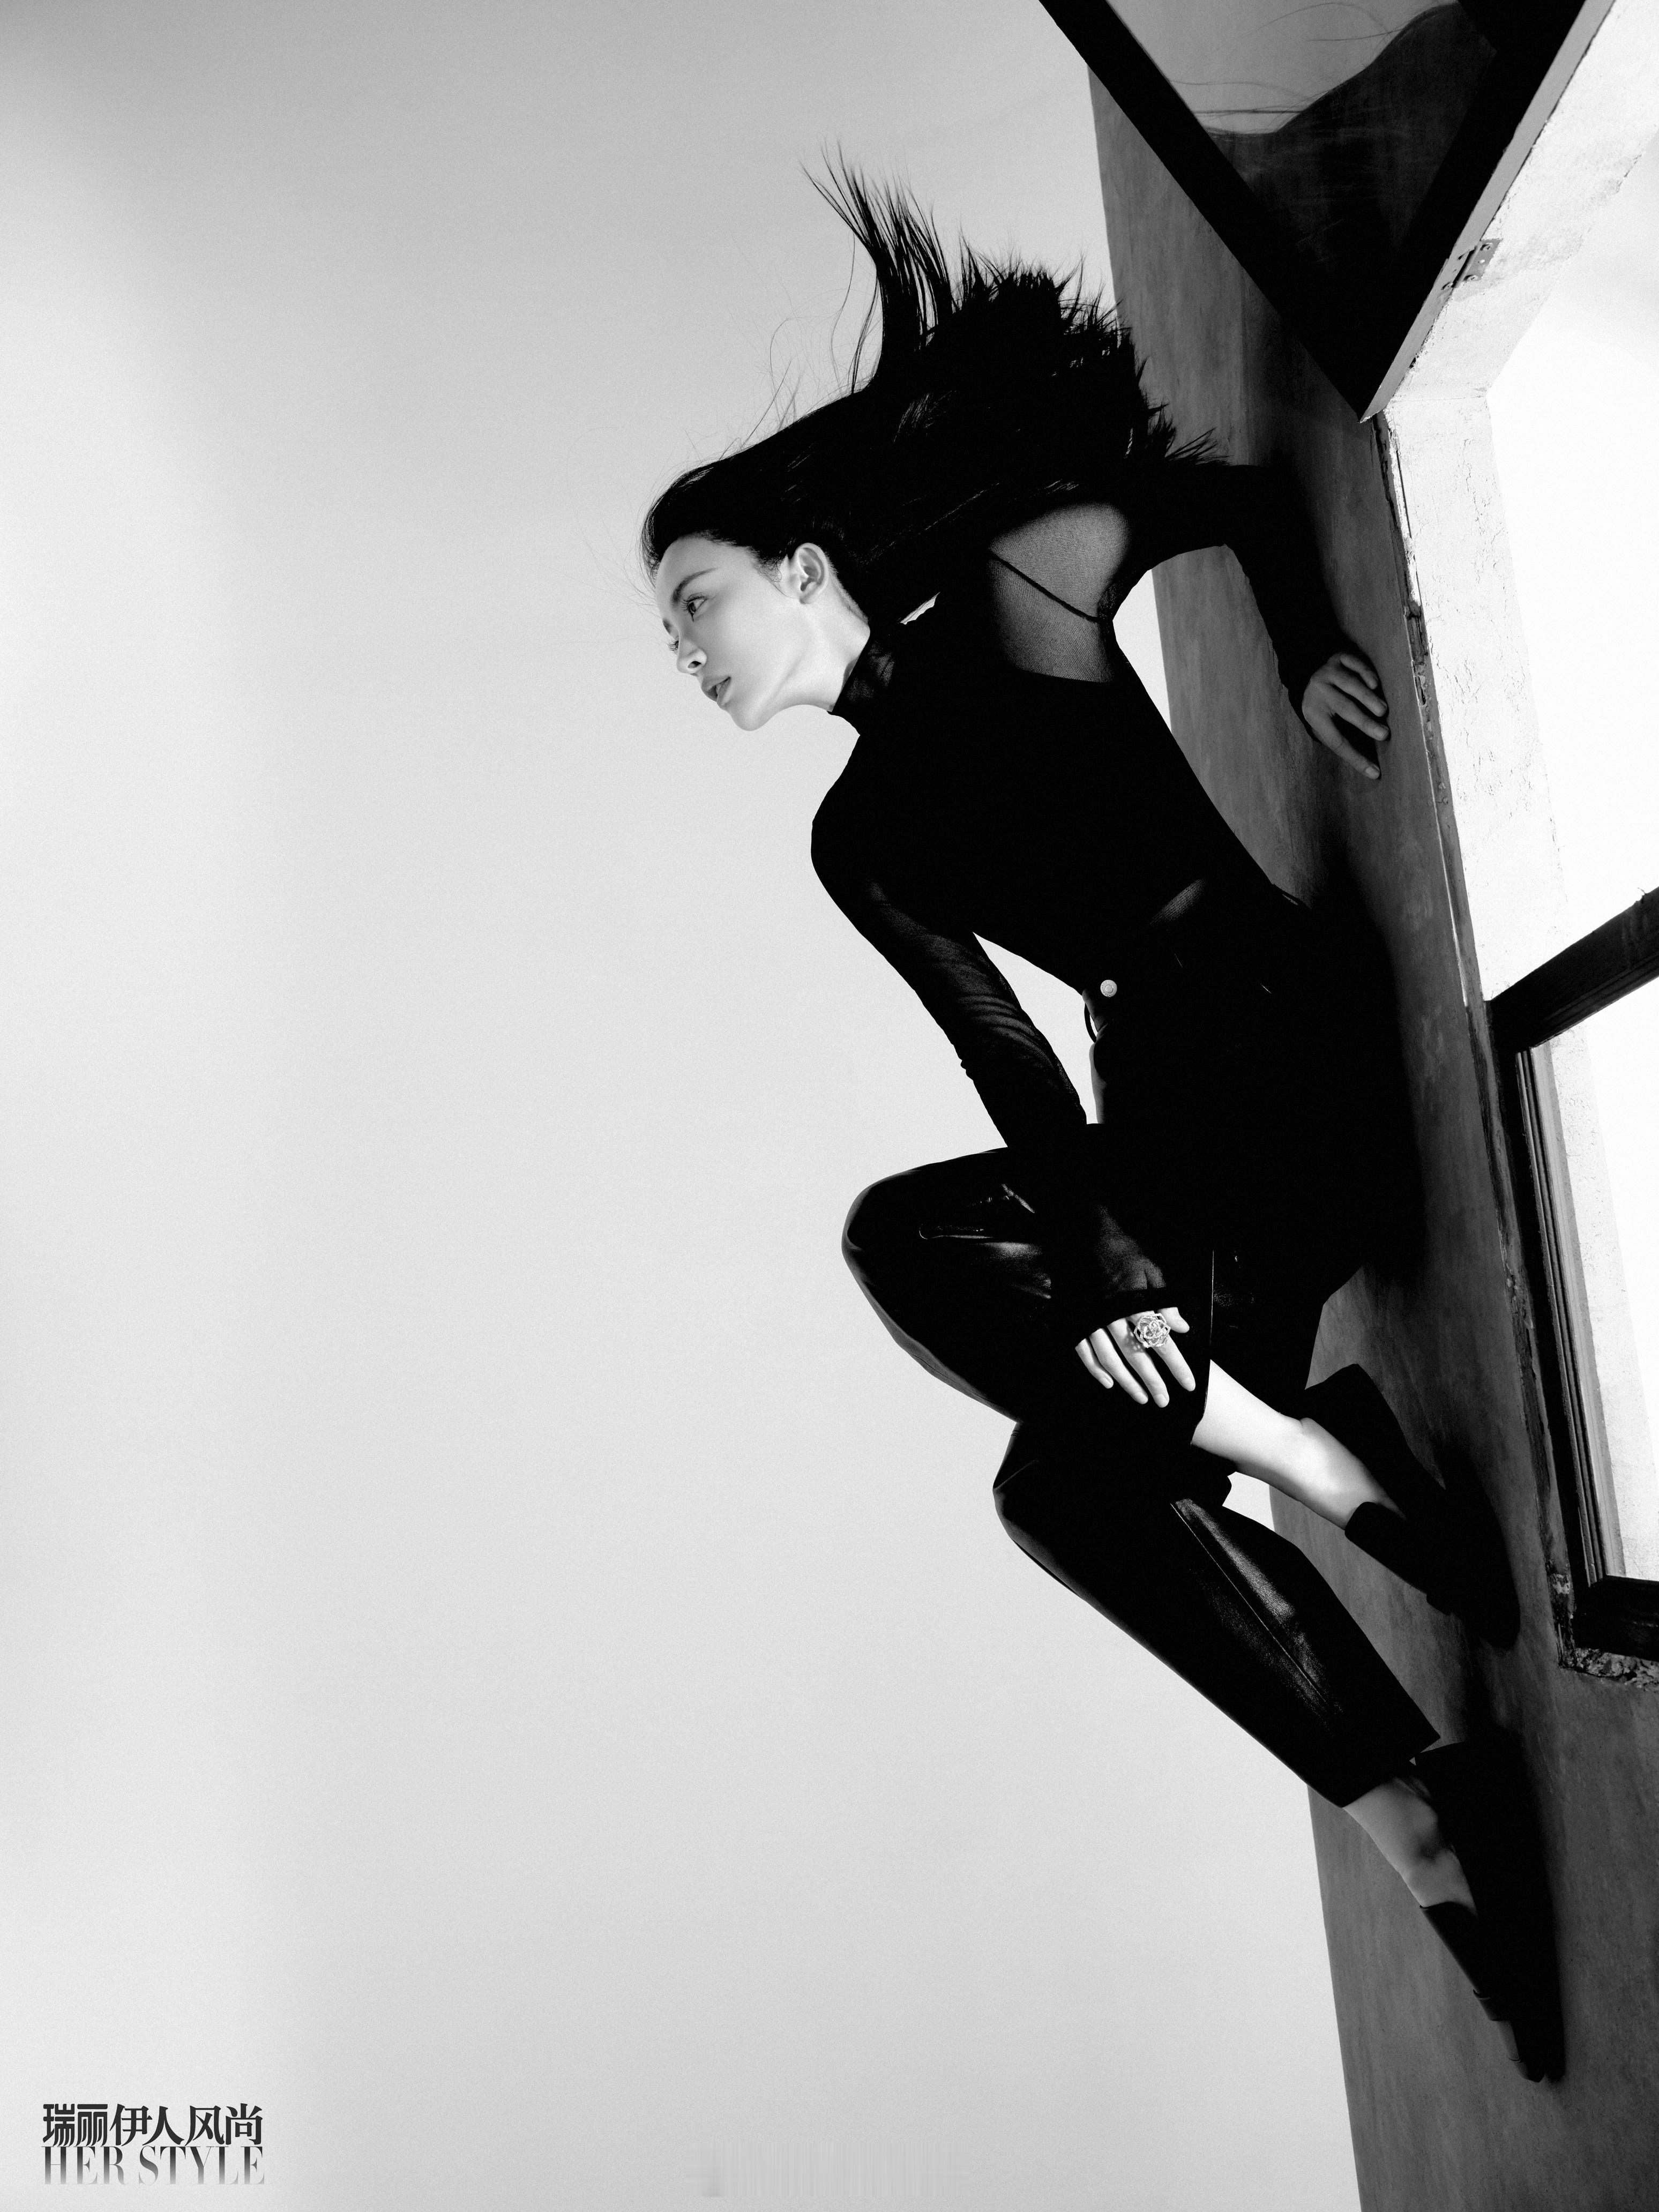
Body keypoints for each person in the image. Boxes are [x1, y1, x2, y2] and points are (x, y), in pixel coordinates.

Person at [642, 174, 1558, 2080]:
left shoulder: (1015, 591)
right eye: (670, 636)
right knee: (1058, 1494)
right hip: (1173, 1150)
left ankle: (1309, 1452)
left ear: (799, 567)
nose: (688, 650)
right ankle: (1418, 1816)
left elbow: (1228, 498)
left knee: (897, 1239)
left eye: (694, 603)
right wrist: (1116, 1254)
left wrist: (1299, 648)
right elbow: (1010, 1061)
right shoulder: (854, 840)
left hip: (1286, 1063)